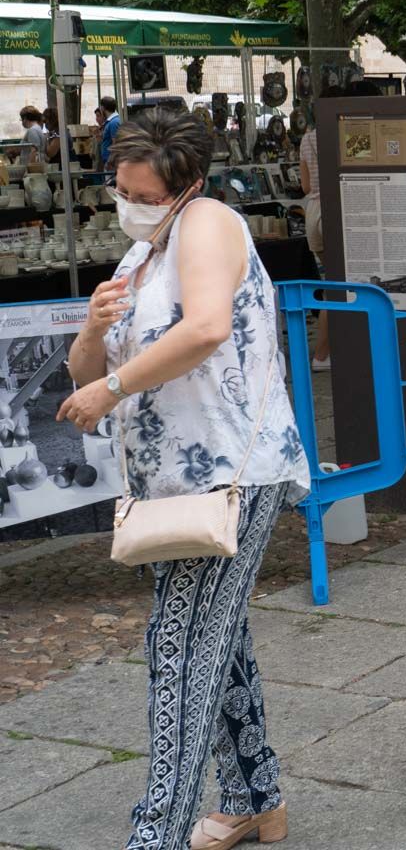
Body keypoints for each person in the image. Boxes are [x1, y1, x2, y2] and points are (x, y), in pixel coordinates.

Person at [55, 108, 309, 850]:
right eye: (119, 187)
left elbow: (205, 329)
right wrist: (94, 333)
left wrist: (111, 387)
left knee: (179, 647)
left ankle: (156, 834)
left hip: (231, 470)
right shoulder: (143, 253)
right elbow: (85, 374)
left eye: (142, 193)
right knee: (213, 641)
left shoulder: (205, 223)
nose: (126, 202)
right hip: (173, 485)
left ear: (186, 185)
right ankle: (254, 796)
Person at [297, 122, 330, 370]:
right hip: (337, 209)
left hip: (313, 212)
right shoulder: (347, 131)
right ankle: (321, 354)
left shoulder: (307, 139)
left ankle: (325, 351)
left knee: (332, 282)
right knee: (338, 286)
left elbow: (306, 187)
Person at [95, 96, 122, 170]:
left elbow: (116, 143)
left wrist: (111, 161)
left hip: (111, 163)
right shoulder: (110, 122)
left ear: (103, 108)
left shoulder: (114, 122)